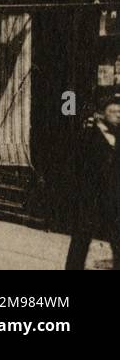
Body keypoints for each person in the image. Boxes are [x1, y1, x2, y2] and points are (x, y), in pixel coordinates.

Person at [65, 96, 120, 270]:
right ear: (103, 113)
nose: (119, 115)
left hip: (112, 197)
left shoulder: (117, 135)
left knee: (117, 237)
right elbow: (77, 164)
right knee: (82, 237)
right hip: (90, 196)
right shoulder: (89, 135)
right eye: (114, 111)